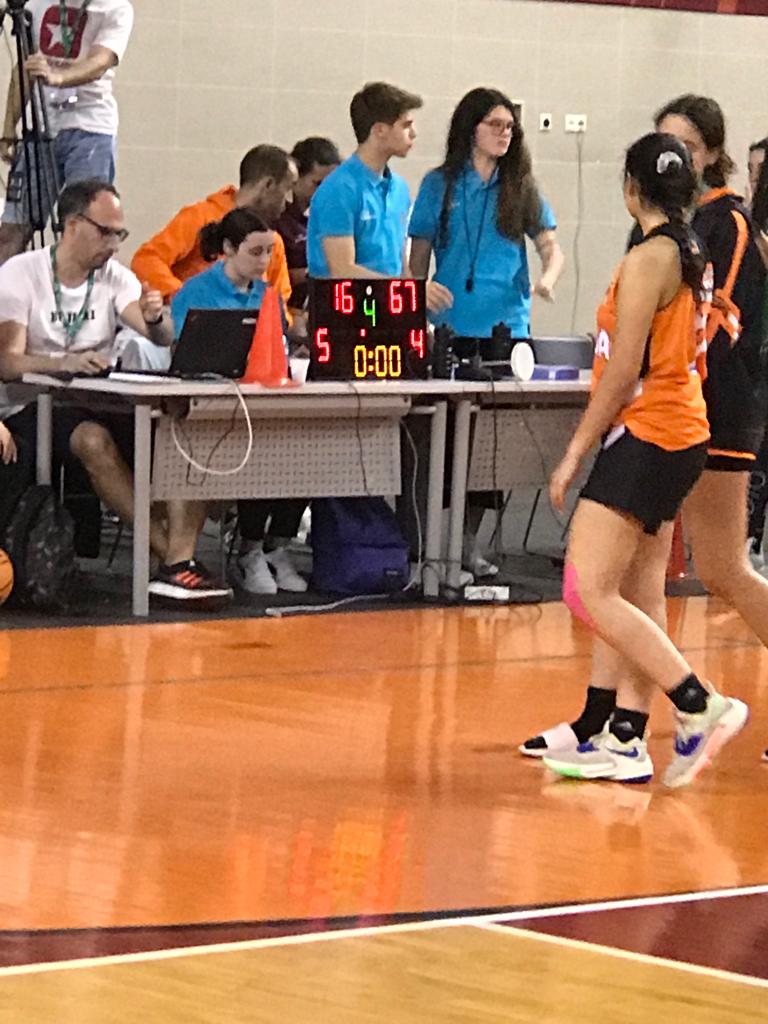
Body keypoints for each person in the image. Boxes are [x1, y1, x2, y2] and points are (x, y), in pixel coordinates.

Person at [522, 95, 767, 770]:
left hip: (678, 421)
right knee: (635, 581)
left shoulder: (692, 240)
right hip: (675, 420)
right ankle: (620, 729)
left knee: (625, 582)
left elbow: (683, 343)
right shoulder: (675, 242)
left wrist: (577, 450)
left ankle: (694, 702)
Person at [0, 178, 230, 604]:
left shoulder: (115, 278)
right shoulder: (20, 274)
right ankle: (175, 560)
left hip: (100, 397)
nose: (113, 245)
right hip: (35, 404)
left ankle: (175, 564)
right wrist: (61, 364)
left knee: (188, 433)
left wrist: (156, 319)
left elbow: (160, 336)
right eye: (105, 232)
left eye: (119, 235)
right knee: (93, 440)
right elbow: (8, 363)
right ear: (73, 225)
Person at [409, 87, 564, 577]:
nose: (504, 133)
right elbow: (417, 260)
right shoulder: (439, 185)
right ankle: (430, 545)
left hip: (506, 327)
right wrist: (418, 293)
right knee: (443, 440)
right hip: (451, 325)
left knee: (491, 445)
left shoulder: (521, 187)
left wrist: (548, 278)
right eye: (495, 124)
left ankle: (468, 543)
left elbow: (550, 246)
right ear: (470, 127)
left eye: (510, 127)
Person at [171, 208, 307, 596]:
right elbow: (183, 353)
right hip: (210, 410)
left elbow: (277, 352)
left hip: (262, 401)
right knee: (261, 451)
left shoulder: (268, 296)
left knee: (305, 448)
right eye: (255, 252)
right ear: (229, 248)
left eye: (269, 252)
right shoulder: (195, 291)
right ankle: (250, 548)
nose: (264, 262)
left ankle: (277, 544)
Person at [0, 0, 134, 263]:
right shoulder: (35, 4)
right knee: (12, 230)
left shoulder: (115, 8)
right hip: (41, 126)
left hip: (90, 128)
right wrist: (7, 128)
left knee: (88, 228)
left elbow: (101, 60)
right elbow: (25, 68)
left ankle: (78, 288)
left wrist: (59, 77)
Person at [131, 144, 296, 312]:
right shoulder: (200, 217)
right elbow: (146, 260)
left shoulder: (274, 242)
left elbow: (280, 302)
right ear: (268, 185)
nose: (290, 200)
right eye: (287, 190)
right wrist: (186, 298)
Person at [307, 81, 423, 281]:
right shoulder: (339, 189)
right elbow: (342, 270)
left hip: (388, 299)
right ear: (380, 130)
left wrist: (412, 292)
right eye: (406, 125)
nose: (413, 133)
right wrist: (406, 290)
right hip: (346, 300)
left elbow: (401, 264)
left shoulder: (400, 189)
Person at [276, 137, 341, 328]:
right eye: (318, 184)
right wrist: (311, 273)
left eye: (331, 185)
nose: (326, 192)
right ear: (297, 179)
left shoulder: (335, 215)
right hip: (290, 310)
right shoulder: (279, 216)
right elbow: (270, 274)